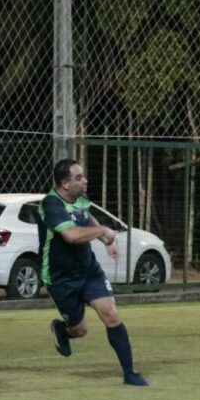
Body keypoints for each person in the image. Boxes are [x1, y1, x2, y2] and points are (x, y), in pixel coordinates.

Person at [39, 159, 149, 386]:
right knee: (80, 330)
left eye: (83, 176)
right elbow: (70, 235)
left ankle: (129, 373)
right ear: (64, 184)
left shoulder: (81, 199)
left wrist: (104, 239)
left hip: (88, 270)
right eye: (78, 178)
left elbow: (86, 218)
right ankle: (62, 329)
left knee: (110, 314)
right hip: (61, 278)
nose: (85, 181)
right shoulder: (51, 204)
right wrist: (101, 230)